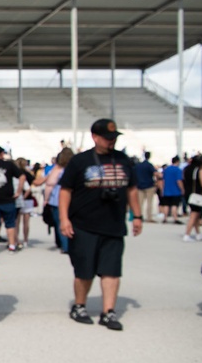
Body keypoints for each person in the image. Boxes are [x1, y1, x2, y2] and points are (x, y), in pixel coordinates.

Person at [59, 118, 142, 331]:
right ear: (95, 137)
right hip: (84, 225)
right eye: (107, 138)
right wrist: (64, 218)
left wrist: (138, 215)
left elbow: (132, 189)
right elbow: (66, 191)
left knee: (112, 271)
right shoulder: (80, 161)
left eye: (113, 138)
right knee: (84, 271)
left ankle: (108, 312)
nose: (111, 142)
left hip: (114, 225)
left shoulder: (123, 160)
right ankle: (79, 306)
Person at [0, 145, 23, 252]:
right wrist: (19, 191)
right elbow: (22, 176)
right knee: (10, 223)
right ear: (1, 154)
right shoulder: (9, 165)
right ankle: (12, 245)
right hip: (8, 198)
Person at [43, 147, 74, 254]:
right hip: (73, 199)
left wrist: (46, 199)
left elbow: (49, 185)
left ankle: (65, 246)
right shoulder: (74, 168)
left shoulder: (57, 169)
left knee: (60, 222)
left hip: (57, 199)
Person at [182, 154, 202, 242]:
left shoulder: (186, 169)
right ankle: (187, 234)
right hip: (197, 194)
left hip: (189, 194)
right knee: (194, 215)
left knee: (195, 214)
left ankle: (198, 233)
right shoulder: (199, 170)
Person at [14, 157, 35, 248]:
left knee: (16, 222)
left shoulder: (15, 173)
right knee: (26, 222)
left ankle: (16, 239)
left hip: (18, 198)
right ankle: (25, 239)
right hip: (27, 199)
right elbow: (31, 185)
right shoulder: (28, 174)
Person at [133, 152, 158, 222]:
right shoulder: (149, 165)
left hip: (140, 185)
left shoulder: (138, 165)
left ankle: (139, 216)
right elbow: (155, 173)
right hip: (149, 185)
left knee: (140, 203)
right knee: (149, 202)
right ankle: (149, 217)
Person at [159, 156, 184, 224]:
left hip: (166, 190)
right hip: (175, 191)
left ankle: (165, 218)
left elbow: (163, 180)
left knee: (166, 205)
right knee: (174, 205)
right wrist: (182, 189)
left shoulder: (166, 169)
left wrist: (162, 189)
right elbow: (179, 181)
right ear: (177, 161)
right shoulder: (178, 170)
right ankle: (175, 218)